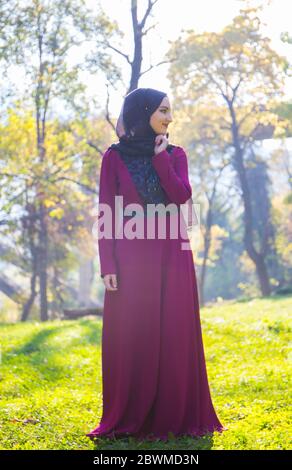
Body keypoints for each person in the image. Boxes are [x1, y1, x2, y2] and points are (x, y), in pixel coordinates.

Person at [86, 87, 227, 442]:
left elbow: (181, 196)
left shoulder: (176, 154)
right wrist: (108, 266)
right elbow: (106, 213)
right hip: (130, 261)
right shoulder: (113, 158)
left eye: (170, 111)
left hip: (172, 257)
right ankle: (131, 413)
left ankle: (174, 413)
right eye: (163, 110)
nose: (169, 117)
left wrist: (161, 159)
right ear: (143, 111)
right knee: (133, 335)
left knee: (174, 332)